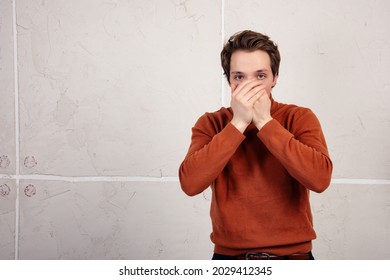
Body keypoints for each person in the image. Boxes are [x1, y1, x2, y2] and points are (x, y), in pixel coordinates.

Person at [178, 30, 333, 260]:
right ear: (229, 81)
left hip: (294, 258)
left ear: (275, 77)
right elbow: (190, 184)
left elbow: (319, 179)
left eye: (260, 76)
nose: (249, 86)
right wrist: (238, 123)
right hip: (230, 259)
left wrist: (264, 122)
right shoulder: (211, 123)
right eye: (239, 77)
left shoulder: (299, 117)